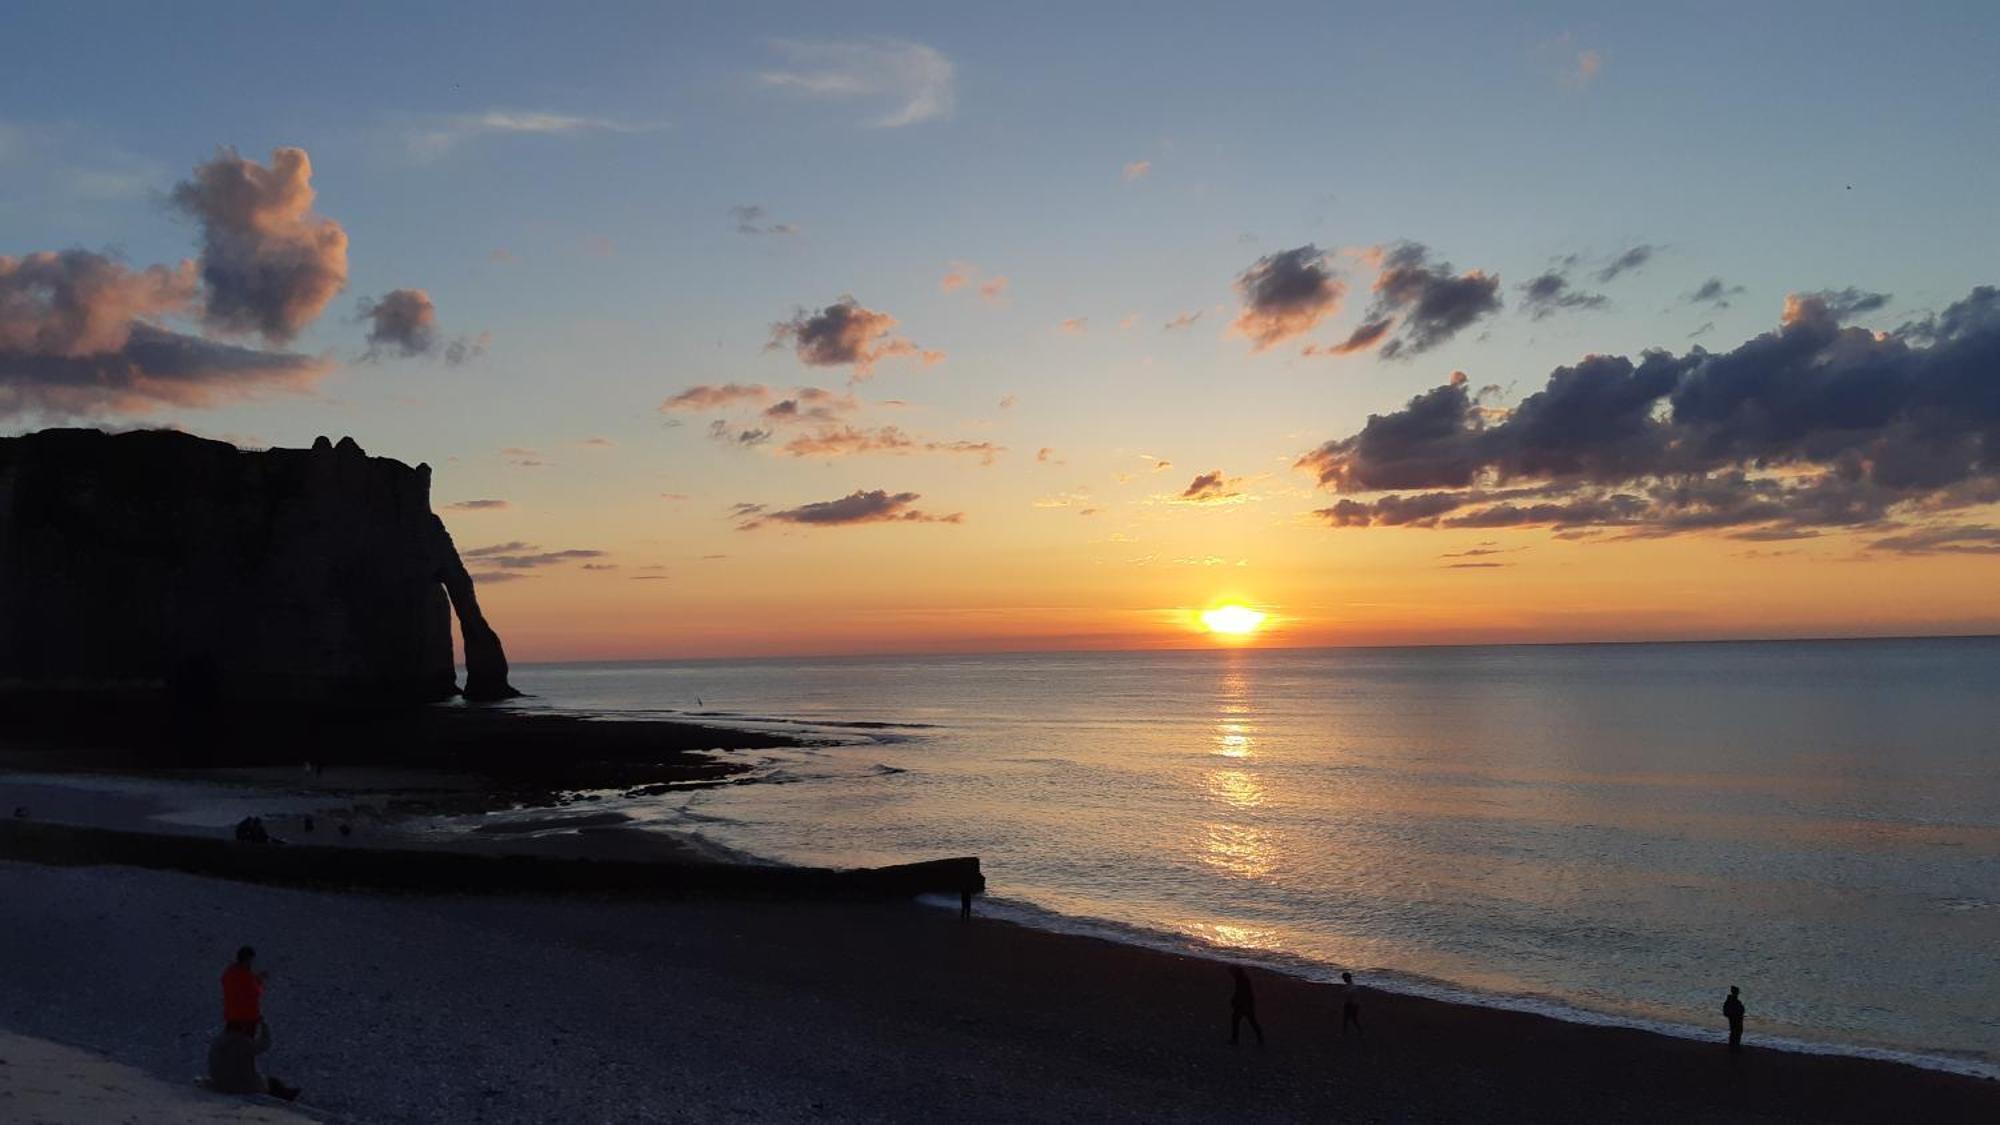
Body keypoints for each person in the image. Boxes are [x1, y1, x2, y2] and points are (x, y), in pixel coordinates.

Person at [207, 1020, 301, 1102]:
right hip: (240, 1086)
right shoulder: (242, 1042)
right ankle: (286, 1095)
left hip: (219, 1082)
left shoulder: (217, 1041)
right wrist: (264, 1026)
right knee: (272, 1083)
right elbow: (265, 1044)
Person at [222, 946, 265, 1034]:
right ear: (248, 960)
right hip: (247, 1018)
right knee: (246, 1045)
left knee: (232, 1043)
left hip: (232, 1016)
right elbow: (256, 992)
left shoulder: (229, 973)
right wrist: (259, 981)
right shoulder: (246, 976)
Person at [1228, 966, 1264, 1046]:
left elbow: (1241, 993)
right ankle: (1260, 1038)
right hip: (1246, 1004)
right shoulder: (1242, 979)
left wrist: (1235, 1001)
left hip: (1244, 1004)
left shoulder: (1241, 980)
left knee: (1241, 1020)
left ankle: (1235, 1039)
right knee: (1250, 1021)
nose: (1231, 974)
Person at [1340, 971, 1363, 1038]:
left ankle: (1344, 1033)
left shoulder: (1350, 987)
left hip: (1351, 1005)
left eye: (1344, 978)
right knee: (1352, 1019)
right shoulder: (1353, 986)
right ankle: (1359, 1031)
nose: (1343, 980)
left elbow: (1349, 997)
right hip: (1354, 1004)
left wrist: (1345, 1002)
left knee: (1347, 1019)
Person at [1723, 985, 1746, 1052]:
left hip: (1734, 1018)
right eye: (1737, 992)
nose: (1738, 993)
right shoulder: (1734, 1001)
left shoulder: (1730, 1000)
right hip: (1735, 1018)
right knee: (1737, 1032)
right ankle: (1734, 1047)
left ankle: (1733, 1046)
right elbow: (1738, 1010)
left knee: (1735, 1032)